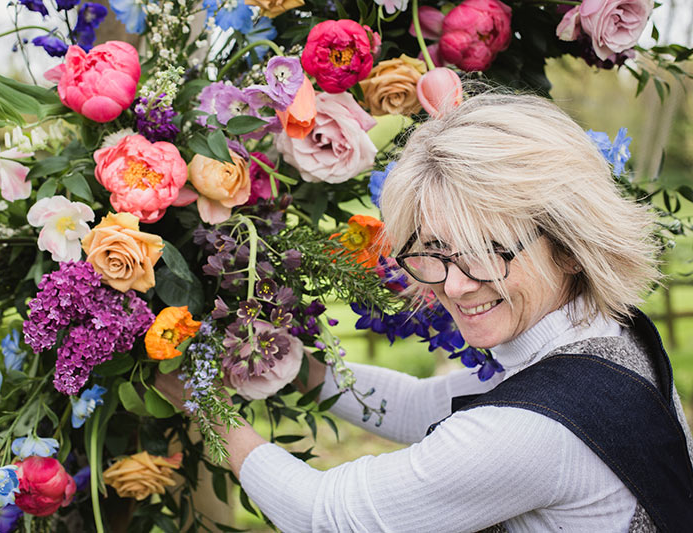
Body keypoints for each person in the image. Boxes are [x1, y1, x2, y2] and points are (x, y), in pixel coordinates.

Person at [157, 93, 693, 532]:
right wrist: (296, 367)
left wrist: (206, 407)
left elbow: (326, 513)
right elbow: (427, 405)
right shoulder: (607, 335)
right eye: (433, 252)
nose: (455, 286)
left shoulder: (531, 434)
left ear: (568, 245)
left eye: (489, 254)